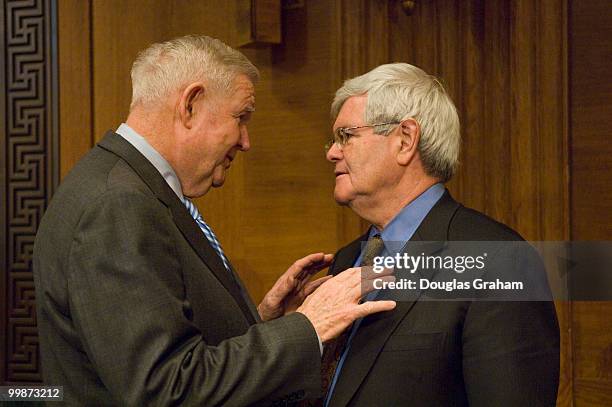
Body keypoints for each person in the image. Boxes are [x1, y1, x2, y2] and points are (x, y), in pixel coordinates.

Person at [32, 36, 396, 406]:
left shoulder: (133, 187)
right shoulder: (118, 205)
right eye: (241, 118)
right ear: (190, 105)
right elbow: (165, 389)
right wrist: (307, 328)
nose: (245, 141)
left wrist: (263, 322)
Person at [319, 63, 560, 406]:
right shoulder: (346, 260)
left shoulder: (498, 261)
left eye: (347, 135)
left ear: (405, 140)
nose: (332, 152)